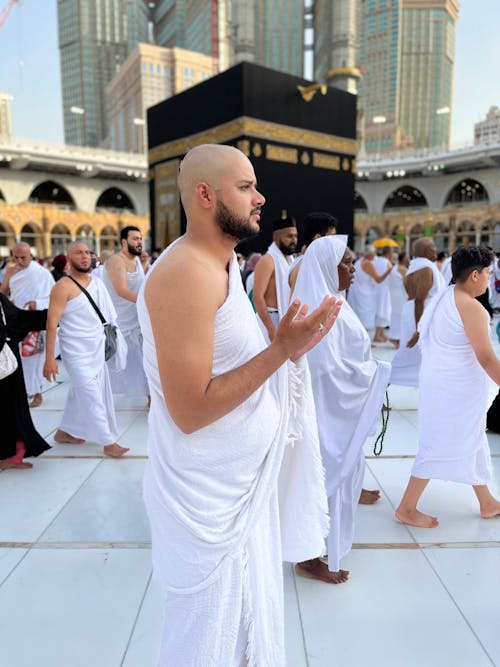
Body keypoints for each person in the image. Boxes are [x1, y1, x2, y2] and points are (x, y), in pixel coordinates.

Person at [136, 143, 341, 666]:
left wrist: (289, 351)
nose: (261, 197)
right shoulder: (187, 273)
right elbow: (190, 410)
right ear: (204, 195)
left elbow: (235, 361)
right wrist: (281, 352)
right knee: (205, 644)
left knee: (243, 635)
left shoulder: (222, 264)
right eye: (246, 186)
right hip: (207, 506)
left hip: (239, 492)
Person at [292, 236, 391, 583]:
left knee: (340, 480)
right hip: (325, 416)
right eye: (347, 263)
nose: (353, 270)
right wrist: (377, 374)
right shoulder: (316, 306)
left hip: (340, 414)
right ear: (325, 267)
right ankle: (309, 556)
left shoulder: (335, 302)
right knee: (321, 482)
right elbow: (323, 369)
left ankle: (323, 548)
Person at [395, 245, 500, 527]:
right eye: (489, 273)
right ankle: (406, 508)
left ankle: (487, 502)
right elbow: (487, 359)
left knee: (472, 440)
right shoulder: (472, 308)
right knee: (437, 446)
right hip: (455, 390)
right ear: (475, 275)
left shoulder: (444, 297)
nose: (490, 278)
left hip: (443, 385)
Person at [43, 242, 129, 458]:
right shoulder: (62, 287)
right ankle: (108, 442)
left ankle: (64, 431)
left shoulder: (98, 283)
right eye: (78, 253)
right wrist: (49, 359)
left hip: (97, 347)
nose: (84, 257)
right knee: (91, 394)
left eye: (87, 253)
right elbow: (51, 324)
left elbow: (109, 316)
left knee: (82, 392)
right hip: (75, 351)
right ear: (68, 258)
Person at [0, 242, 55, 408]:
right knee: (19, 359)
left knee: (33, 358)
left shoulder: (42, 273)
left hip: (34, 319)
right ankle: (24, 393)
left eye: (23, 257)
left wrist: (37, 303)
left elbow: (53, 296)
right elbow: (2, 295)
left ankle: (36, 393)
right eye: (15, 257)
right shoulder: (10, 271)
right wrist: (8, 275)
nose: (19, 260)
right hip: (15, 321)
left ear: (30, 256)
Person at [0, 293, 51, 469]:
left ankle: (10, 454)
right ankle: (7, 455)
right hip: (5, 367)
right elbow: (17, 320)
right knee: (8, 407)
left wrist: (50, 316)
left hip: (7, 363)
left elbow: (16, 318)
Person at [389, 237, 446, 386]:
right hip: (420, 316)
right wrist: (419, 329)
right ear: (424, 251)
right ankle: (383, 381)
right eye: (432, 247)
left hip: (417, 315)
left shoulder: (415, 267)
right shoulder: (424, 269)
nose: (435, 249)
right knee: (409, 353)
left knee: (413, 354)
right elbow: (420, 300)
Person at [102, 226, 149, 401]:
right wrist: (148, 302)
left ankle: (151, 399)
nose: (139, 242)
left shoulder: (136, 261)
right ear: (124, 242)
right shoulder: (116, 261)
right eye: (135, 239)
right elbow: (121, 290)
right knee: (120, 367)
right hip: (122, 324)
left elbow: (137, 284)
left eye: (140, 238)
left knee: (145, 362)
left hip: (138, 320)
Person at [252, 214, 298, 341]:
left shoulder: (291, 261)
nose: (294, 240)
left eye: (295, 236)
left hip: (286, 320)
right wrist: (270, 328)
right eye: (289, 236)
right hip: (269, 321)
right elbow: (257, 297)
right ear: (276, 237)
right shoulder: (267, 260)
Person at [347, 245, 392, 338]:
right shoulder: (368, 264)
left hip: (358, 292)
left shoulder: (359, 261)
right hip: (365, 294)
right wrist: (388, 271)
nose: (375, 255)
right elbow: (378, 279)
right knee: (365, 318)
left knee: (358, 316)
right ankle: (364, 340)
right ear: (371, 254)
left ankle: (361, 339)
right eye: (374, 253)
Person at [288, 211, 337, 293]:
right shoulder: (302, 269)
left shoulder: (317, 264)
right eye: (332, 237)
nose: (336, 242)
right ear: (318, 238)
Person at [387, 252, 409, 346]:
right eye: (407, 258)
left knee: (395, 315)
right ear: (403, 259)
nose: (409, 260)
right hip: (401, 295)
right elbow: (406, 283)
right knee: (400, 316)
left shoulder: (393, 267)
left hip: (393, 294)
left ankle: (394, 337)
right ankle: (397, 339)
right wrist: (410, 295)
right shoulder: (403, 269)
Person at [373, 246, 394, 343]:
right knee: (383, 310)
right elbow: (392, 275)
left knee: (380, 310)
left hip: (377, 288)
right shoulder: (387, 262)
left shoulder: (376, 261)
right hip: (385, 289)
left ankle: (381, 334)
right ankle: (377, 335)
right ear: (389, 253)